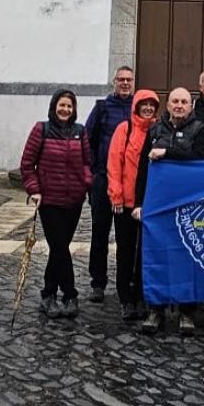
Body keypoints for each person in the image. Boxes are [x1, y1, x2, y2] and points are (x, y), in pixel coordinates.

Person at [134, 86, 204, 335]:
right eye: (175, 101)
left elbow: (199, 157)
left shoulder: (200, 130)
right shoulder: (155, 130)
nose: (179, 105)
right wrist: (138, 203)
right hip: (158, 205)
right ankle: (156, 308)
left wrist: (167, 152)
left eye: (184, 102)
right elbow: (143, 170)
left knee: (187, 257)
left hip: (188, 206)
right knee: (157, 255)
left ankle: (187, 311)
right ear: (168, 105)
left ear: (191, 106)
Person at [19, 89, 93, 319]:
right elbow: (27, 164)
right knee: (60, 247)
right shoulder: (41, 130)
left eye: (69, 106)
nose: (65, 110)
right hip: (49, 201)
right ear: (54, 106)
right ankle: (70, 294)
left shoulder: (80, 132)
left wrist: (86, 183)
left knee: (57, 250)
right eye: (62, 105)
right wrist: (34, 190)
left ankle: (48, 294)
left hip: (73, 200)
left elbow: (87, 163)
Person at [107, 88, 160, 323]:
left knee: (145, 253)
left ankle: (141, 295)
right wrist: (116, 195)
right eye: (144, 104)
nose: (148, 108)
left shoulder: (158, 131)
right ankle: (125, 298)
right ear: (136, 106)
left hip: (149, 203)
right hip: (126, 203)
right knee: (126, 251)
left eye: (152, 105)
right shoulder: (124, 129)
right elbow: (114, 163)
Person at [84, 65, 135, 301]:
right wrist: (93, 173)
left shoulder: (139, 107)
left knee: (127, 237)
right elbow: (87, 140)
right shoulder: (102, 107)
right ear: (114, 81)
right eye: (121, 79)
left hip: (129, 183)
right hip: (103, 179)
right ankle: (98, 282)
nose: (125, 83)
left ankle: (127, 282)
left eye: (129, 80)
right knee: (100, 232)